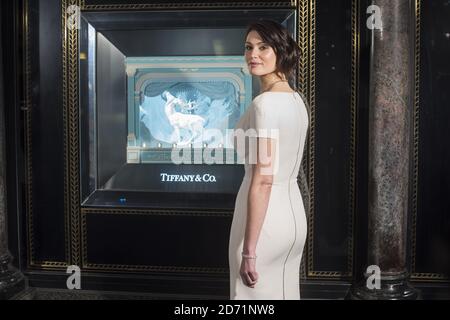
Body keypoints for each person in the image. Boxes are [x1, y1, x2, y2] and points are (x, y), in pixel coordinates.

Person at [229, 19, 310, 300]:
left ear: (281, 51)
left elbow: (263, 180)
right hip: (293, 220)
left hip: (263, 226)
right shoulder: (296, 100)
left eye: (263, 47)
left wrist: (249, 251)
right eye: (249, 47)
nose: (253, 54)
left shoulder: (264, 104)